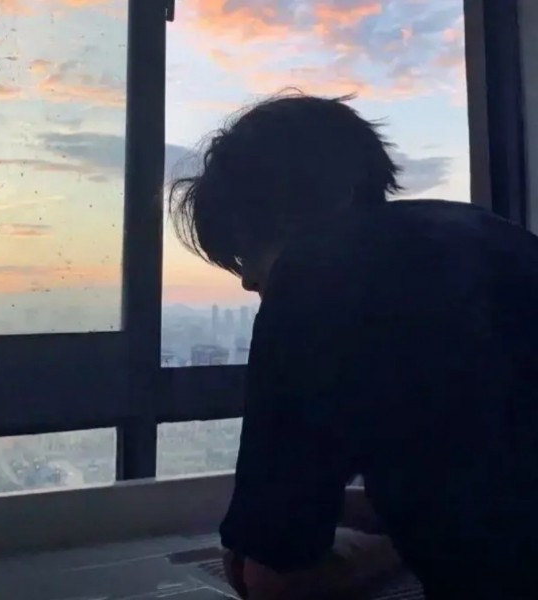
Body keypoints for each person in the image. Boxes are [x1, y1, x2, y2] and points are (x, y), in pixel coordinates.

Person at [169, 92, 538, 599]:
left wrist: (279, 531)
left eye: (245, 253)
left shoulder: (316, 276)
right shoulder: (496, 237)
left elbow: (272, 580)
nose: (248, 281)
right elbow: (480, 482)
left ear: (286, 217)